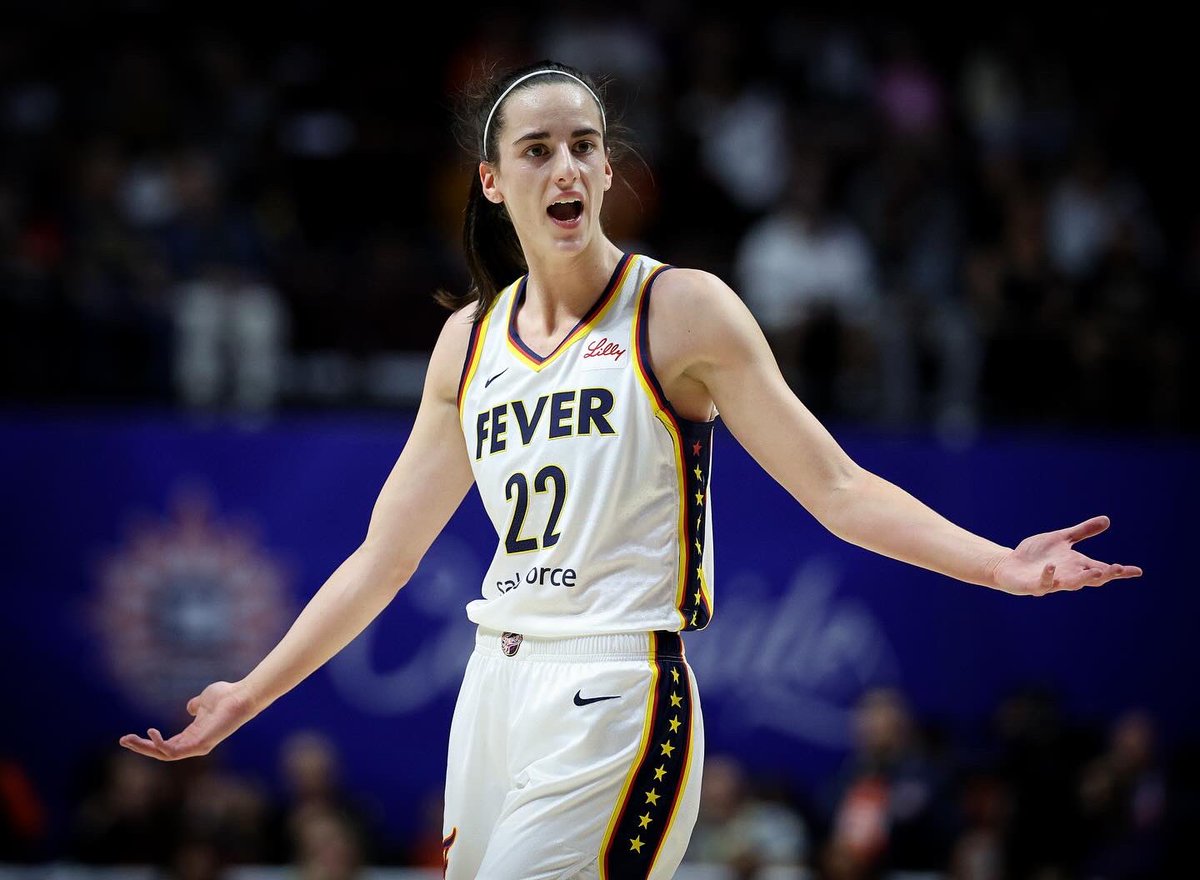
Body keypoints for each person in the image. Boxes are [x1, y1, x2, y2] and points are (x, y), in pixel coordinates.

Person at [120, 59, 1143, 880]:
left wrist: (997, 564)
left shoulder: (681, 309)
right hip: (492, 688)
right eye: (537, 150)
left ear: (608, 171)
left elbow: (837, 488)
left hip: (620, 683)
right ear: (493, 181)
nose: (565, 167)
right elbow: (381, 562)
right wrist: (251, 693)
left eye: (585, 146)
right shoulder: (467, 345)